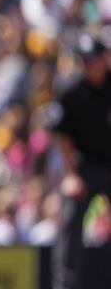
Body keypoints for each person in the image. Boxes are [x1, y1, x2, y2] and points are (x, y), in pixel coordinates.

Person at [51, 35, 111, 289]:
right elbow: (63, 136)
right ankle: (65, 285)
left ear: (104, 59)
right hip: (85, 165)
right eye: (85, 61)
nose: (90, 65)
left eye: (94, 59)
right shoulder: (72, 91)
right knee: (71, 217)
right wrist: (70, 175)